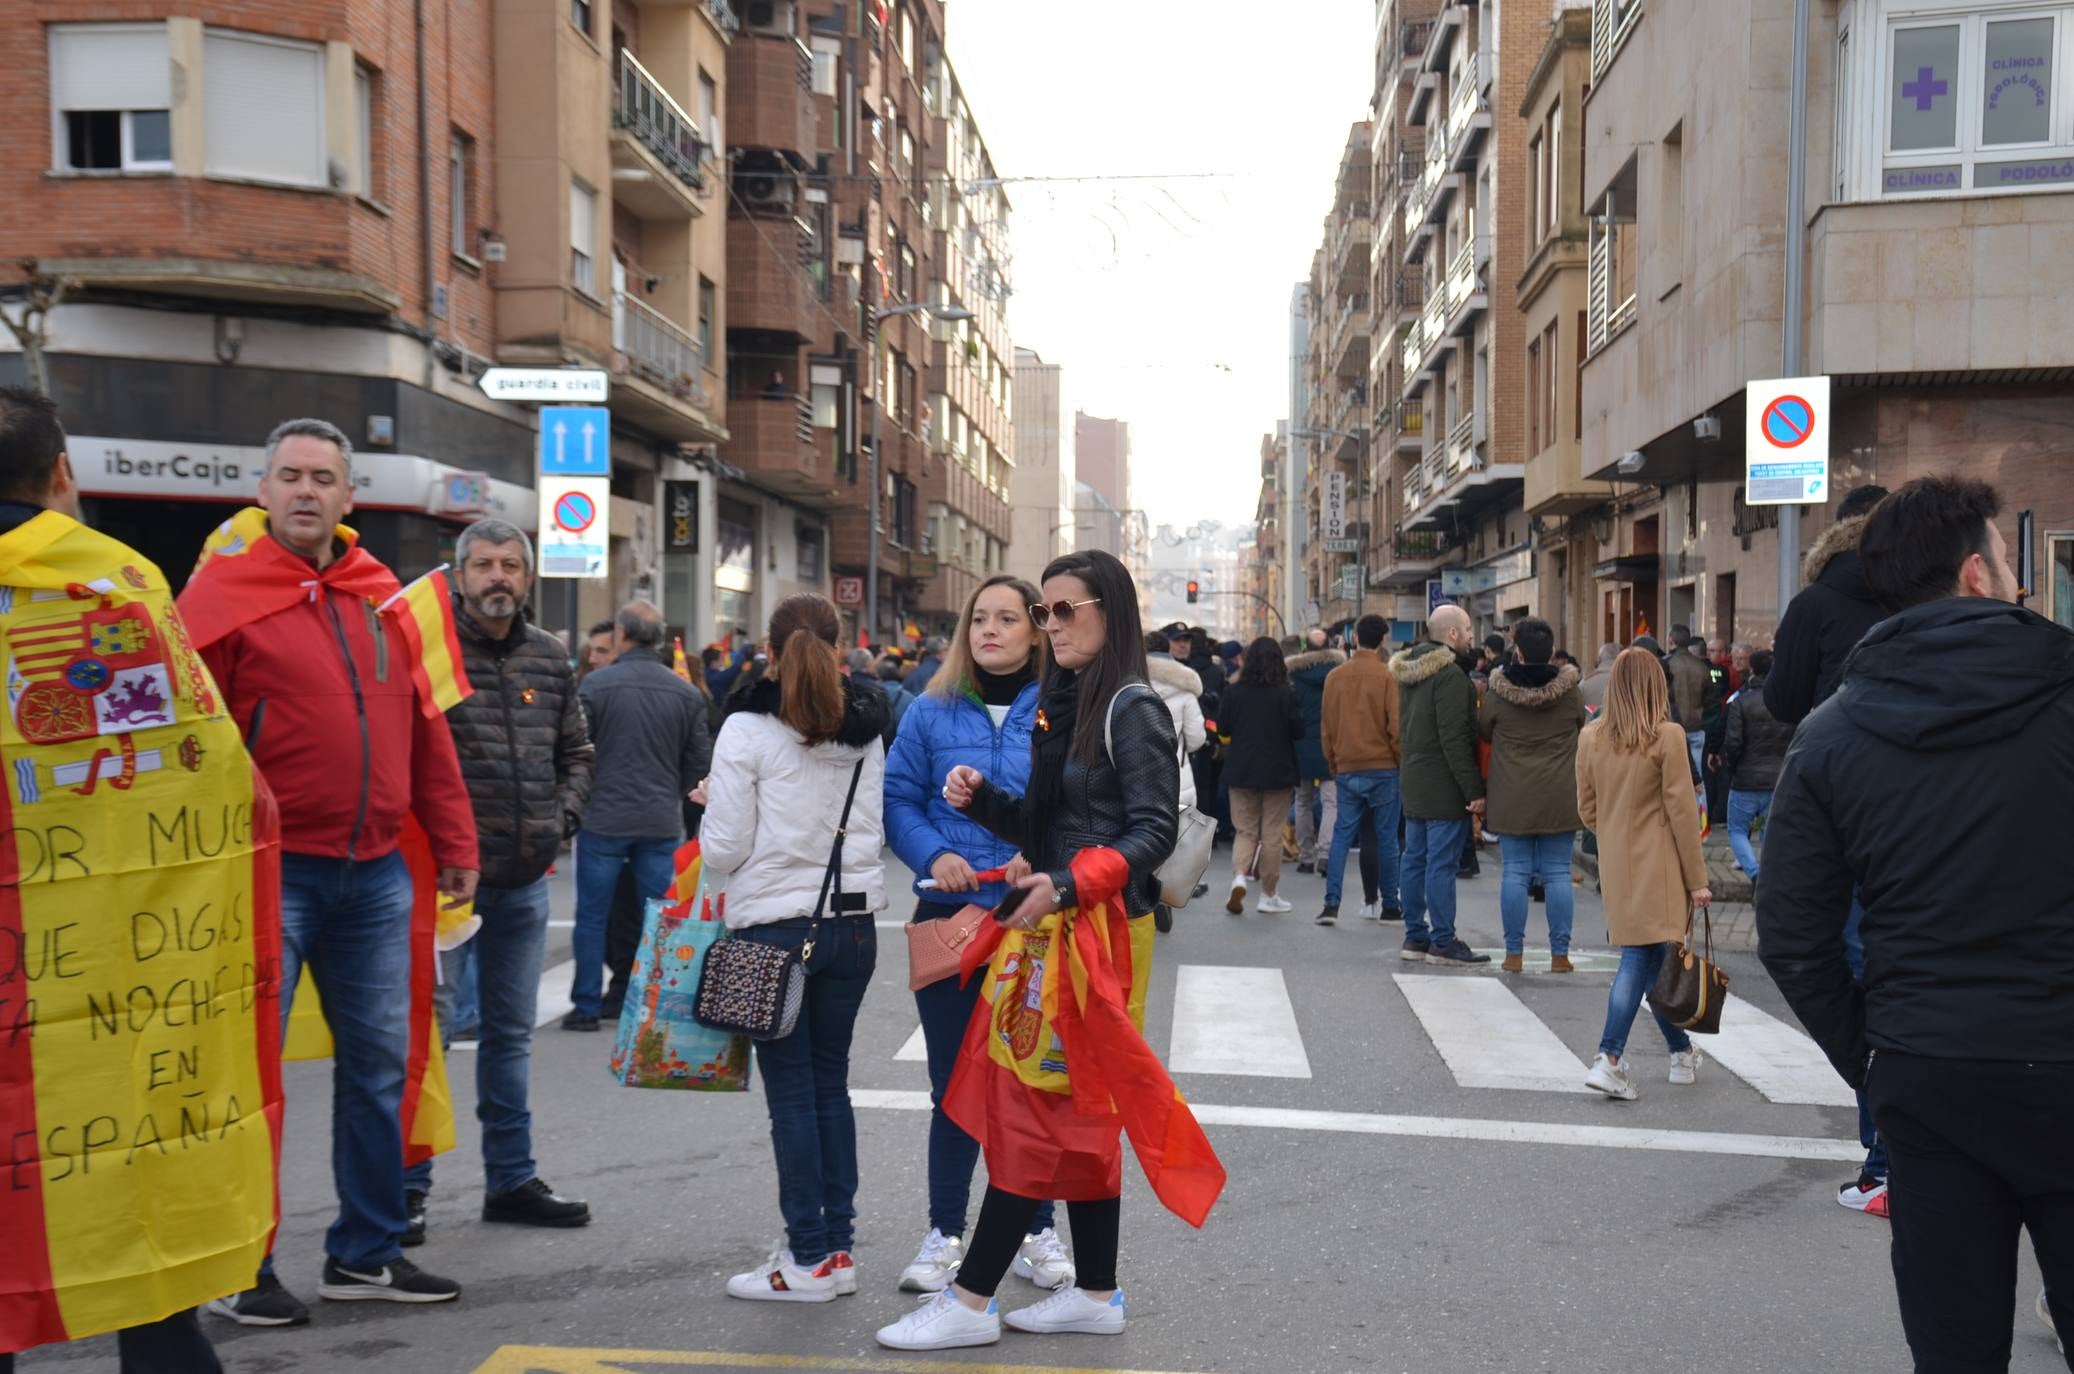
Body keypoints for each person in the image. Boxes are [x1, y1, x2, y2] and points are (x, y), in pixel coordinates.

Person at [1759, 476, 2074, 1368]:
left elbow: (1791, 932)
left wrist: (1871, 1051)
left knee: (1954, 1349)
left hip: (1929, 1075)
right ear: (1977, 574)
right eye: (2011, 562)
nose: (2020, 581)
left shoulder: (1832, 732)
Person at [879, 550, 1212, 1351]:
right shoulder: (1069, 699)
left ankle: (967, 1303)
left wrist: (1067, 885)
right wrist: (988, 802)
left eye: (1066, 610)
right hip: (1065, 931)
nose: (1049, 625)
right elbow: (1054, 826)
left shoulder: (1130, 705)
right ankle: (1095, 1291)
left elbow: (1153, 831)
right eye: (1045, 612)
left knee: (1034, 1110)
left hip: (1092, 937)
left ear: (1111, 612)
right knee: (1077, 1110)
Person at [0, 387, 267, 1374]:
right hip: (116, 967)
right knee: (145, 1257)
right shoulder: (112, 588)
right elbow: (206, 763)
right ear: (62, 475)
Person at [183, 418, 473, 1322]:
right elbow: (186, 747)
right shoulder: (216, 599)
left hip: (378, 871)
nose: (306, 490)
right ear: (262, 492)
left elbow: (426, 728)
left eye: (324, 478)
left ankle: (366, 1253)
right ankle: (236, 1268)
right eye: (290, 476)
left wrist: (456, 840)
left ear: (351, 498)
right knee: (245, 1080)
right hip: (266, 876)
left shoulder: (386, 597)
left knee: (381, 1069)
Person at [403, 518, 594, 1244]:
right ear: (458, 575)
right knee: (430, 1033)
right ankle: (408, 1188)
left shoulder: (550, 656)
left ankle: (511, 1178)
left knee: (510, 1036)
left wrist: (560, 821)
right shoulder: (428, 651)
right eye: (483, 564)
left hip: (522, 878)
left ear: (528, 576)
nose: (498, 577)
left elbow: (578, 751)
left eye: (511, 564)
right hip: (446, 882)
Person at [884, 576, 1076, 1297]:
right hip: (951, 917)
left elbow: (1079, 803)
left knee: (1032, 1080)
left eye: (1006, 618)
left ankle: (1036, 1230)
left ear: (1035, 629)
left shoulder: (1063, 707)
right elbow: (898, 798)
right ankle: (944, 1233)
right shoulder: (929, 710)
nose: (989, 630)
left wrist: (1046, 855)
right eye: (978, 619)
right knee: (953, 1084)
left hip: (1038, 918)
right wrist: (936, 855)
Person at [702, 594, 889, 1302]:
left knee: (792, 1100)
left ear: (769, 652)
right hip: (854, 925)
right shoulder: (867, 727)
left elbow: (724, 848)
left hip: (775, 929)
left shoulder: (747, 728)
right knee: (829, 1086)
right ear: (840, 648)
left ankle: (806, 1258)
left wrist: (709, 804)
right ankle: (835, 1249)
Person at [566, 601, 710, 1030]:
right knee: (662, 915)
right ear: (660, 639)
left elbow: (575, 753)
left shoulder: (594, 688)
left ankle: (587, 1006)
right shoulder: (685, 693)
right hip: (659, 820)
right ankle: (655, 1002)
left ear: (622, 636)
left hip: (603, 818)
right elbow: (698, 766)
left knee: (592, 915)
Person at [1574, 649, 1709, 1101]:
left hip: (1618, 866)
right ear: (1656, 687)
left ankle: (1681, 1052)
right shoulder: (1667, 737)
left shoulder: (1591, 738)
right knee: (1643, 960)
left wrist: (1615, 835)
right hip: (1663, 865)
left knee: (1652, 964)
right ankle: (1609, 1057)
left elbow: (1586, 808)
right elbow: (1682, 813)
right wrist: (1697, 880)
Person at [1478, 617, 1584, 973]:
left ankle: (1513, 954)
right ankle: (1559, 956)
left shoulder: (1499, 693)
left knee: (1515, 872)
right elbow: (1580, 728)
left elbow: (1485, 731)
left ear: (1518, 652)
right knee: (1557, 873)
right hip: (1559, 793)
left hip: (1511, 794)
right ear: (1552, 652)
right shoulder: (1570, 693)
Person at [1388, 605, 1487, 964]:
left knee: (1413, 859)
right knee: (1440, 864)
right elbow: (1455, 739)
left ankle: (1415, 937)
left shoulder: (1409, 673)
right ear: (1453, 634)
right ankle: (1443, 940)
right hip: (1443, 785)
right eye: (1468, 629)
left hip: (1414, 780)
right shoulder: (1449, 678)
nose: (1472, 636)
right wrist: (1474, 790)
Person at [1764, 484, 1891, 726]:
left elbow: (1785, 704)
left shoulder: (1811, 604)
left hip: (1839, 748)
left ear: (1838, 530)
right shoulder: (1925, 592)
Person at [1317, 614, 1402, 926]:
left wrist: (1334, 763)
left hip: (1347, 767)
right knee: (1387, 838)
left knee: (1341, 835)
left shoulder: (1334, 678)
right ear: (1382, 641)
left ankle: (1331, 903)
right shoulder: (1387, 676)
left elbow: (1326, 728)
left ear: (1354, 639)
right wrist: (1399, 760)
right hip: (1384, 767)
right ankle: (1391, 904)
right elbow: (1396, 727)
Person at [1217, 636, 1303, 916]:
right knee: (1272, 834)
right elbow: (1297, 731)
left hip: (1241, 770)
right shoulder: (1286, 693)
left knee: (1245, 830)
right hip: (1278, 772)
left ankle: (1240, 876)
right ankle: (1269, 893)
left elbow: (1223, 729)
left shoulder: (1234, 691)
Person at [1145, 629, 1208, 931]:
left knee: (1140, 829)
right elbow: (1196, 739)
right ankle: (1165, 894)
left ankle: (1143, 888)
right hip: (1177, 772)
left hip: (1137, 770)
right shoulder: (1185, 690)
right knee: (1175, 835)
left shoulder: (1131, 683)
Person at [1717, 649, 1791, 883]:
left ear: (1752, 670)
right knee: (1771, 832)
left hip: (1745, 780)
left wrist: (1732, 768)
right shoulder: (1788, 702)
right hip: (1779, 779)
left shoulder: (1741, 702)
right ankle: (1768, 876)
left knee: (1737, 830)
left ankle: (1754, 872)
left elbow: (1733, 742)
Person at [1288, 630, 1346, 875]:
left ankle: (1306, 856)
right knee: (1331, 802)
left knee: (1302, 801)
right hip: (1330, 745)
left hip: (1301, 745)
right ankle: (1326, 855)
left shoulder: (1293, 674)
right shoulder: (1339, 674)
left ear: (1305, 647)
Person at [1578, 643, 1618, 715]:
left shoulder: (1585, 682)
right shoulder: (1628, 682)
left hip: (1591, 724)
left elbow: (1577, 710)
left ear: (1599, 659)